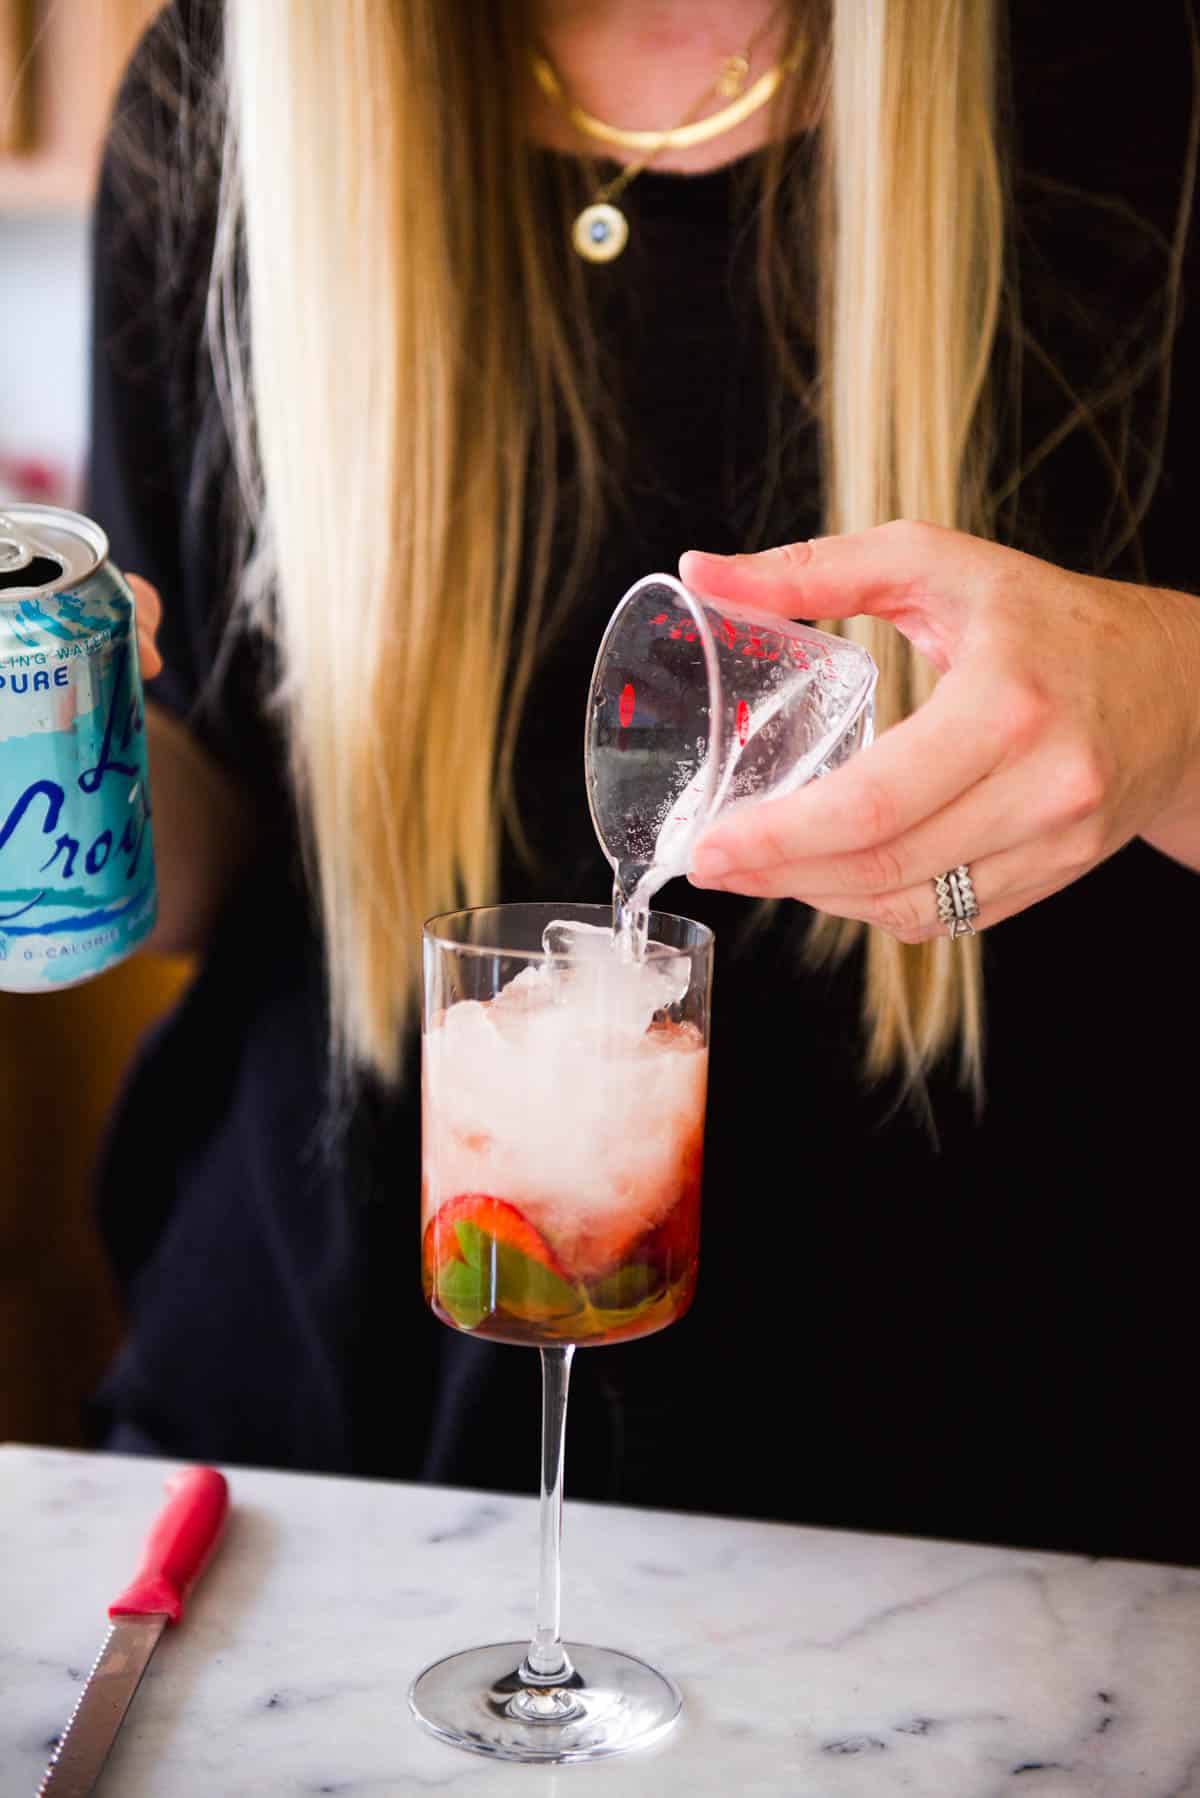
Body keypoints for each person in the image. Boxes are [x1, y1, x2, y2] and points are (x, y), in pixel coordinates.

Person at [87, 0, 1200, 1567]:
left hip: (1000, 1485)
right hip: (317, 1467)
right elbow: (212, 835)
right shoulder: (229, 78)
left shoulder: (1141, 77)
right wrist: (60, 784)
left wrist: (1176, 701)